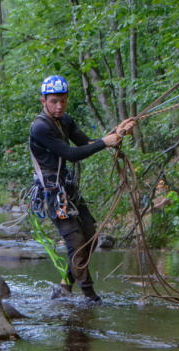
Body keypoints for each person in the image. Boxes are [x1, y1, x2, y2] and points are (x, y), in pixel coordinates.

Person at [29, 75, 136, 303]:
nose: (59, 107)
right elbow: (70, 153)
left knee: (91, 237)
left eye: (63, 101)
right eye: (54, 101)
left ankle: (64, 288)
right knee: (76, 244)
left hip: (68, 189)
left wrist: (117, 133)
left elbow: (85, 144)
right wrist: (105, 142)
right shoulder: (40, 128)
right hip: (51, 193)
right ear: (43, 101)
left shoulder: (65, 121)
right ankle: (90, 297)